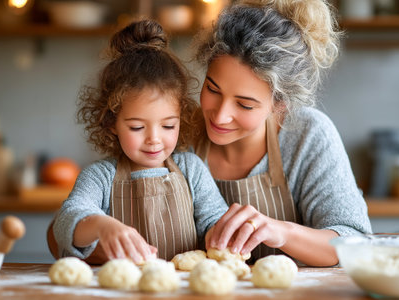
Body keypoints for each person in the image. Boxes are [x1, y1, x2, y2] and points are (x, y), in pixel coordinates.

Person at [191, 0, 372, 266]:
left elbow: (355, 242)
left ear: (280, 104)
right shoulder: (174, 130)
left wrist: (280, 231)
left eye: (244, 104)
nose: (220, 115)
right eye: (212, 89)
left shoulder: (307, 135)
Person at [49, 19, 228, 265]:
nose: (154, 139)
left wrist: (222, 235)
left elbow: (215, 220)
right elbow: (67, 220)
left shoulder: (192, 169)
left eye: (168, 125)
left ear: (181, 119)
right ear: (111, 122)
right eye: (136, 127)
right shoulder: (100, 177)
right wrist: (101, 226)